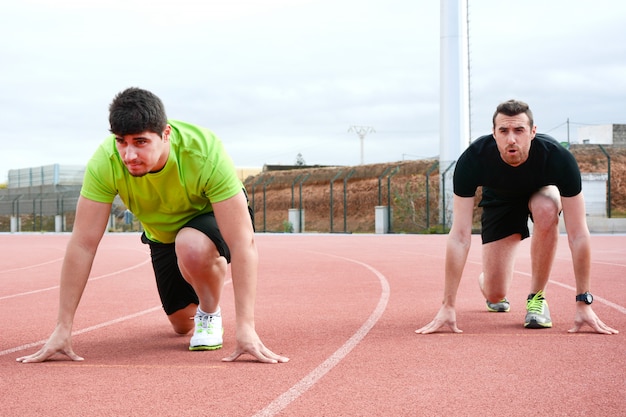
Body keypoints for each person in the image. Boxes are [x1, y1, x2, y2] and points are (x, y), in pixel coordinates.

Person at [17, 87, 289, 363]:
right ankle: (198, 299)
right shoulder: (106, 162)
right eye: (122, 141)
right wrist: (63, 329)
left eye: (141, 142)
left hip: (208, 219)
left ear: (166, 134)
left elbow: (242, 242)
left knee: (191, 245)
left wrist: (246, 328)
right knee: (181, 325)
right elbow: (83, 243)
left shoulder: (204, 152)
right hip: (161, 234)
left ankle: (210, 312)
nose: (129, 155)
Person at [415, 99, 618, 335]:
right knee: (495, 293)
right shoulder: (473, 159)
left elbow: (578, 234)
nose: (511, 139)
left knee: (546, 207)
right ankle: (490, 279)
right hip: (499, 201)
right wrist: (448, 305)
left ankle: (537, 298)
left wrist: (584, 302)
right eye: (504, 131)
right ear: (494, 133)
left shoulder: (558, 159)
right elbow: (459, 236)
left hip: (540, 191)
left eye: (519, 130)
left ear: (533, 132)